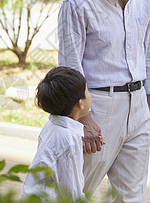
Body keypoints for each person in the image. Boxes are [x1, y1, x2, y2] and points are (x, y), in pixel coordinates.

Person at [58, 0, 150, 202]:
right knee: (77, 191)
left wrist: (148, 107)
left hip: (137, 106)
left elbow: (147, 53)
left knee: (131, 196)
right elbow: (70, 67)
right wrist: (85, 119)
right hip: (97, 107)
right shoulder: (77, 2)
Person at [20, 66, 93, 202]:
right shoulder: (68, 139)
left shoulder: (51, 126)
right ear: (80, 104)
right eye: (87, 91)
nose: (90, 95)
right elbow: (71, 194)